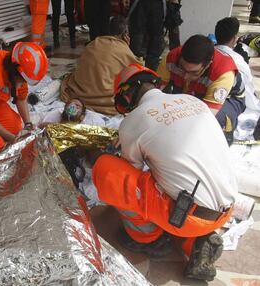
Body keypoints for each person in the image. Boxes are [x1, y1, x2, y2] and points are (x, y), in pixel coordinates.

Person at [89, 63, 236, 281]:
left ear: (127, 95)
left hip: (188, 217)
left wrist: (100, 155)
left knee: (108, 171)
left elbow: (131, 173)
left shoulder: (133, 121)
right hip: (225, 210)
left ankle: (147, 238)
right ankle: (197, 242)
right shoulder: (193, 101)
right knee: (167, 183)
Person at [157, 34, 246, 144]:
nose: (186, 76)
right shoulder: (170, 58)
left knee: (212, 124)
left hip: (228, 99)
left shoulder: (223, 73)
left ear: (208, 64)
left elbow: (206, 117)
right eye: (182, 68)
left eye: (194, 72)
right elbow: (156, 92)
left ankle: (224, 140)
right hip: (191, 92)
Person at [60, 16, 143, 115]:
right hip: (106, 99)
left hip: (81, 92)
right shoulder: (122, 49)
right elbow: (139, 69)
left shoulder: (93, 43)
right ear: (125, 34)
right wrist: (126, 47)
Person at [215, 17, 260, 112]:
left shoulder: (208, 52)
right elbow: (248, 92)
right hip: (225, 104)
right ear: (234, 38)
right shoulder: (237, 60)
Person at [126, 0, 165, 70]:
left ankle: (149, 74)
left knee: (155, 43)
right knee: (136, 45)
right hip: (140, 4)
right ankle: (135, 72)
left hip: (155, 5)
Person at [39, 98, 106, 127]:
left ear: (82, 117)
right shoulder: (50, 126)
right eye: (69, 104)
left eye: (77, 106)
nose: (72, 106)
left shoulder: (85, 132)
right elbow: (40, 127)